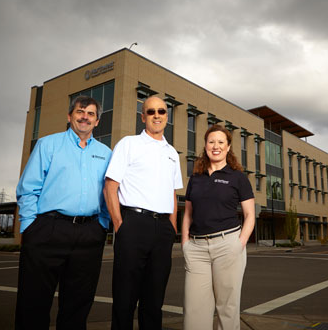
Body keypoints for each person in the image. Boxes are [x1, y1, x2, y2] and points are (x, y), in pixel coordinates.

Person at [15, 95, 111, 330]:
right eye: (80, 111)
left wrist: (102, 225)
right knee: (33, 303)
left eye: (90, 114)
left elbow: (110, 192)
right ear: (70, 116)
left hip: (89, 233)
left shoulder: (106, 153)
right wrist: (30, 226)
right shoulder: (48, 144)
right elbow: (28, 189)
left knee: (78, 306)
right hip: (48, 229)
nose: (85, 117)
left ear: (97, 121)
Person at [104, 96, 183, 330]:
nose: (156, 115)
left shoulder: (172, 153)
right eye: (151, 112)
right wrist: (120, 225)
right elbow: (110, 186)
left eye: (161, 111)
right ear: (143, 116)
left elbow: (172, 194)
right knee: (124, 298)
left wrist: (172, 228)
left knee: (154, 299)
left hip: (162, 230)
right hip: (133, 225)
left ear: (167, 117)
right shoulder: (128, 144)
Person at [181, 124, 255, 330]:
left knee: (227, 309)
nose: (216, 146)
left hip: (227, 245)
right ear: (205, 146)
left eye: (221, 142)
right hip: (196, 249)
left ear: (228, 146)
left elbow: (250, 216)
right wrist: (185, 243)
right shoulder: (196, 177)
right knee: (194, 310)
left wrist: (239, 245)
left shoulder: (238, 177)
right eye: (211, 141)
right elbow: (187, 213)